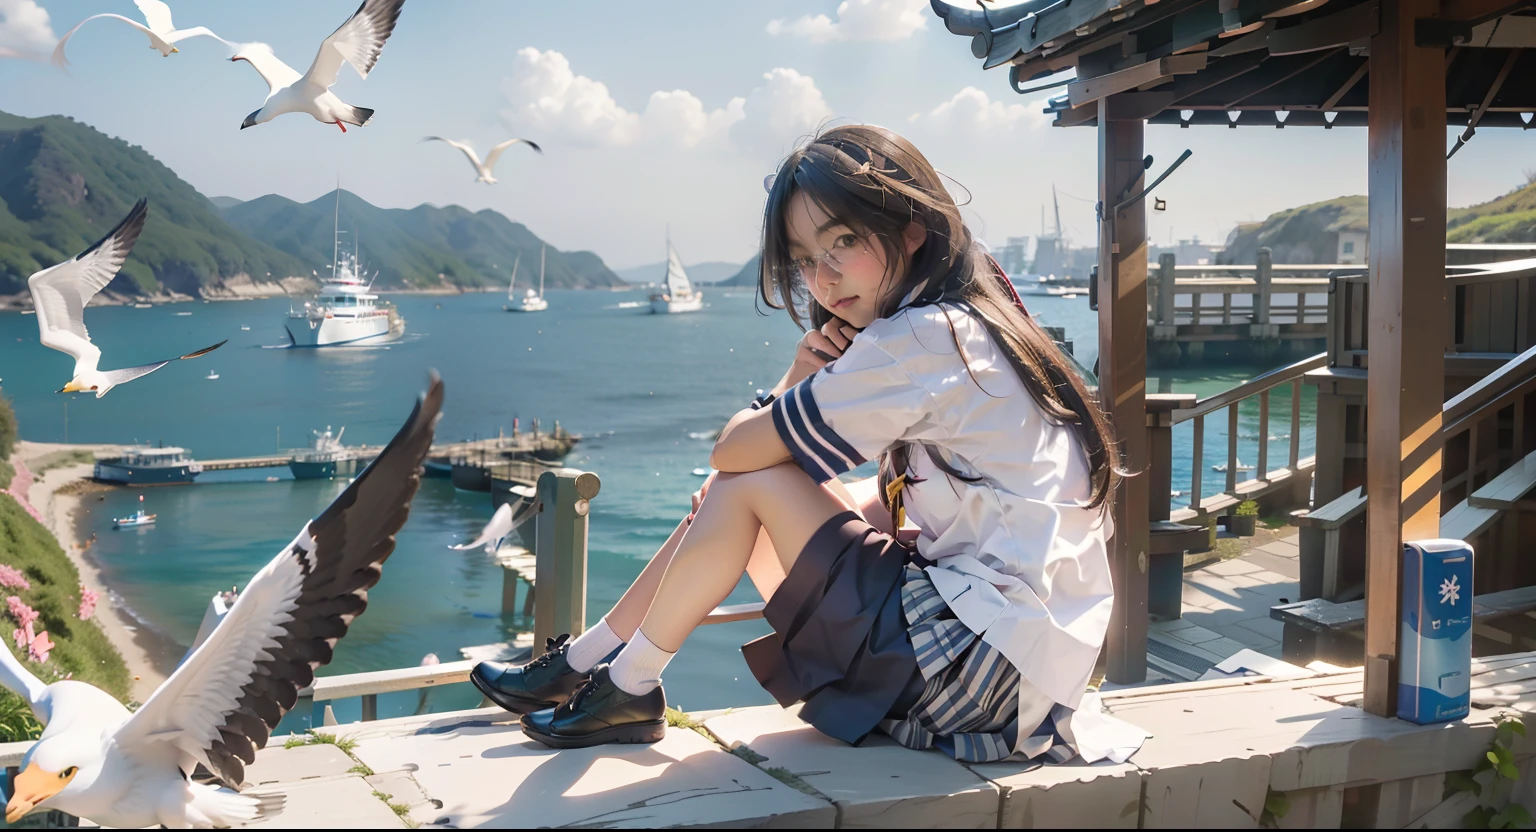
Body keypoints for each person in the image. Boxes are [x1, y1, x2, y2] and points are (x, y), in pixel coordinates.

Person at [471, 124, 1132, 763]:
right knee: (737, 496)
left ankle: (620, 680)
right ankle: (597, 667)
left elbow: (733, 452)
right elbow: (905, 512)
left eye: (842, 240)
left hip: (983, 668)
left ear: (911, 227)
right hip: (1025, 674)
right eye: (807, 261)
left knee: (746, 485)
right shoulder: (970, 326)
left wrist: (792, 383)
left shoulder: (923, 338)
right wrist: (788, 486)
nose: (824, 277)